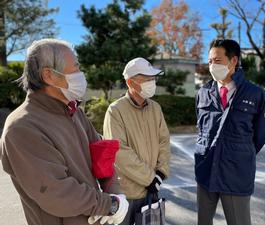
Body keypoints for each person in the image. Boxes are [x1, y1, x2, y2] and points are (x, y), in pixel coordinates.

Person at [0, 38, 128, 225]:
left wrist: (115, 193)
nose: (81, 74)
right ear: (49, 75)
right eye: (76, 68)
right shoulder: (23, 127)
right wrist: (109, 205)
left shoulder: (73, 111)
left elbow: (101, 153)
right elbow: (55, 191)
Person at [195, 39, 265, 225]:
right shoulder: (203, 93)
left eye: (218, 61)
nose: (212, 66)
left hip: (236, 172)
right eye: (210, 61)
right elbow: (200, 127)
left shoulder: (255, 94)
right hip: (206, 168)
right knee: (203, 221)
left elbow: (261, 135)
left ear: (234, 61)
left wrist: (240, 152)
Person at [103, 57, 171, 225]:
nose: (152, 82)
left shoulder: (155, 108)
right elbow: (119, 152)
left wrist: (160, 173)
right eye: (147, 79)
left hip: (151, 191)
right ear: (131, 82)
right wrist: (150, 178)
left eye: (153, 78)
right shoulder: (116, 110)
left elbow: (164, 141)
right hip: (126, 192)